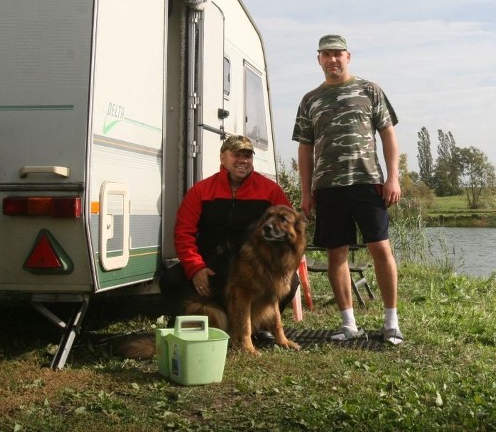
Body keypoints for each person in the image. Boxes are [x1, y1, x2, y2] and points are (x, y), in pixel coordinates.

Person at [292, 34, 404, 345]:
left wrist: (393, 177)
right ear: (319, 60)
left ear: (348, 56)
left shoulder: (370, 90)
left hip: (367, 182)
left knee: (381, 249)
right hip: (328, 188)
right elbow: (305, 149)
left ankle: (391, 322)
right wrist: (305, 191)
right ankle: (348, 323)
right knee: (335, 253)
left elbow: (388, 136)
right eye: (326, 54)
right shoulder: (310, 100)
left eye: (337, 54)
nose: (332, 60)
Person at [160, 135, 299, 319]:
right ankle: (196, 321)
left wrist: (279, 264)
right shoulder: (200, 190)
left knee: (291, 281)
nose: (243, 161)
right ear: (222, 158)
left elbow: (291, 228)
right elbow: (183, 233)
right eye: (236, 155)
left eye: (248, 156)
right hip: (211, 266)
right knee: (171, 280)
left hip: (254, 268)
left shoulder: (270, 190)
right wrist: (196, 268)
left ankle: (262, 325)